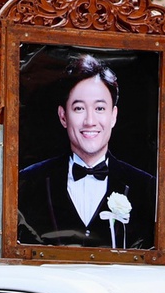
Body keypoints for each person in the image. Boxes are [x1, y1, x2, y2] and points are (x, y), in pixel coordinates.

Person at [16, 54, 157, 251]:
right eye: (79, 108)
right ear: (63, 116)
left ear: (113, 116)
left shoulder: (146, 187)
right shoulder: (27, 182)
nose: (90, 121)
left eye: (99, 108)